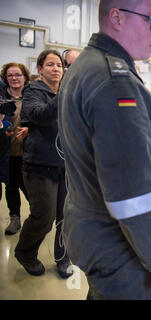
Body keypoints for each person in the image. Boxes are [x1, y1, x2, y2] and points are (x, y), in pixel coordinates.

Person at [58, 0, 151, 299]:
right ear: (116, 18)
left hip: (89, 227)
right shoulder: (115, 82)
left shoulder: (86, 65)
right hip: (118, 243)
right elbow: (130, 194)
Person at [14, 49, 73, 279]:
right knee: (44, 217)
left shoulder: (67, 92)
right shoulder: (33, 91)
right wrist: (65, 94)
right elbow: (39, 115)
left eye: (59, 65)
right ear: (40, 69)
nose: (56, 68)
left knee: (66, 217)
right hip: (40, 167)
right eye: (50, 65)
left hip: (66, 167)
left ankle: (63, 258)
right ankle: (25, 252)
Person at [0, 62, 30, 235]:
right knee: (11, 186)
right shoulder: (2, 98)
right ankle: (14, 218)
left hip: (28, 152)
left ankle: (37, 217)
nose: (14, 78)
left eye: (17, 75)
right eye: (10, 75)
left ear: (25, 77)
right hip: (7, 151)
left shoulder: (31, 96)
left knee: (28, 186)